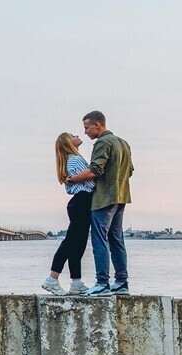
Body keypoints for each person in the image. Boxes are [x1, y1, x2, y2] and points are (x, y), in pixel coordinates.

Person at [66, 111, 133, 296]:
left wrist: (72, 179)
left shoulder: (103, 142)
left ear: (98, 125)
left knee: (99, 240)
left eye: (87, 128)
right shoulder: (123, 143)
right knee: (116, 240)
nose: (86, 132)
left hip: (104, 198)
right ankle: (121, 282)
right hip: (121, 197)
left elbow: (95, 170)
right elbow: (131, 170)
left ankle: (102, 283)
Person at [41, 133, 94, 295]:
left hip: (79, 202)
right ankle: (52, 279)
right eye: (73, 136)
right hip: (83, 202)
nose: (77, 135)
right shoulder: (76, 160)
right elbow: (92, 177)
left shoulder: (70, 160)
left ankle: (76, 282)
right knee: (71, 243)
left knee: (78, 245)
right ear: (68, 143)